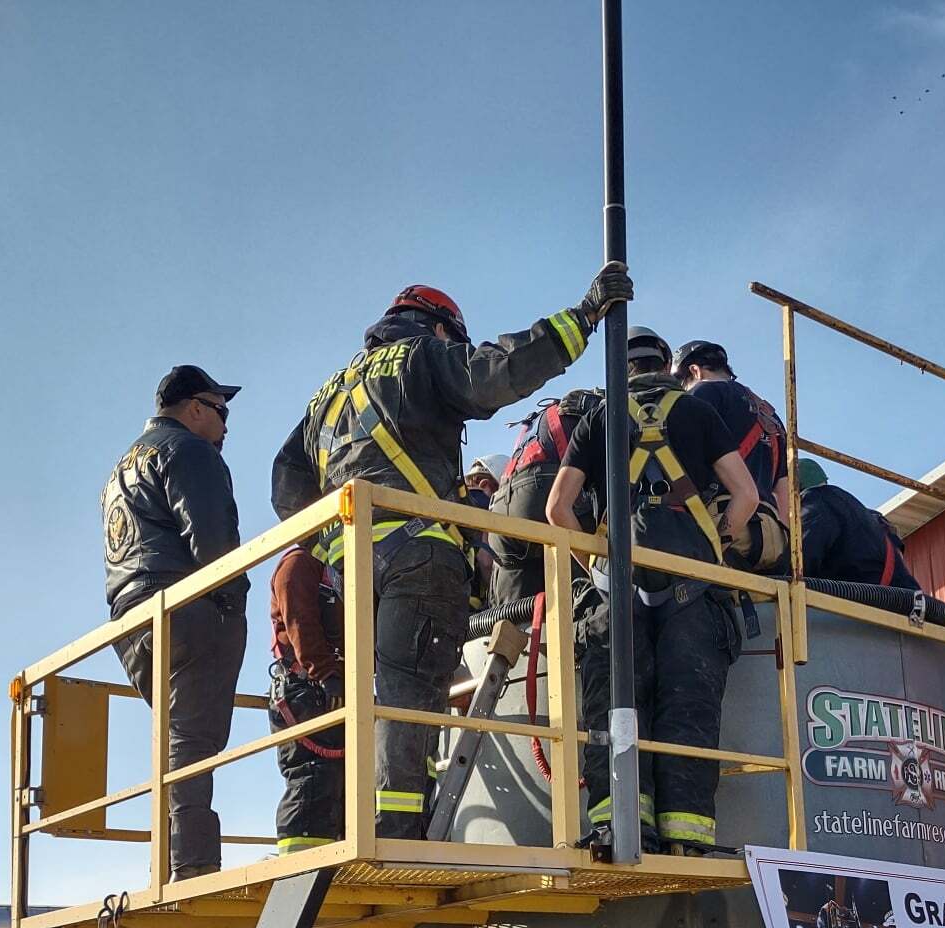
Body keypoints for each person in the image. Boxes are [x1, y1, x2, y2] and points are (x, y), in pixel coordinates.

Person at [272, 266, 632, 839]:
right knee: (412, 696)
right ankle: (398, 828)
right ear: (439, 329)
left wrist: (332, 543)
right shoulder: (422, 357)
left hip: (351, 569)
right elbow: (495, 372)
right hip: (422, 556)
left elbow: (287, 487)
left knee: (384, 697)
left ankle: (381, 822)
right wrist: (584, 316)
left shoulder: (328, 395)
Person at [545, 326, 761, 856]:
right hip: (691, 589)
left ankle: (620, 828)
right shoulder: (696, 412)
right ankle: (687, 839)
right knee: (686, 709)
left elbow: (556, 509)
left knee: (615, 709)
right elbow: (746, 495)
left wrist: (596, 565)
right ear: (667, 365)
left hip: (615, 591)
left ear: (622, 368)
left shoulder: (597, 417)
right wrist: (721, 539)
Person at [101, 364, 249, 880]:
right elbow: (215, 545)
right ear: (194, 409)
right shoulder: (190, 452)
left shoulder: (121, 468)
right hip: (183, 606)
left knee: (178, 735)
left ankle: (174, 860)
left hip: (130, 619)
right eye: (221, 411)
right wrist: (233, 606)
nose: (226, 425)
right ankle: (192, 865)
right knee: (192, 741)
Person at [672, 339, 789, 571]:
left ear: (694, 370)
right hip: (773, 538)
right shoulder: (771, 416)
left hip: (724, 527)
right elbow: (784, 496)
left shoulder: (704, 393)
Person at [268, 541, 345, 854]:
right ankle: (299, 864)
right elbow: (300, 621)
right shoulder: (298, 566)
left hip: (329, 686)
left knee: (339, 782)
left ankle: (332, 859)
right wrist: (328, 675)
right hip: (306, 691)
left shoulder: (335, 568)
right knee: (311, 777)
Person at [488, 389, 599, 608]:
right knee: (585, 599)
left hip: (503, 507)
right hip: (546, 490)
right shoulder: (596, 412)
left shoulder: (538, 423)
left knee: (513, 618)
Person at [793, 457, 921, 589]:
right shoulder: (871, 517)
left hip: (875, 601)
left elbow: (798, 565)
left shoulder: (816, 504)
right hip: (905, 599)